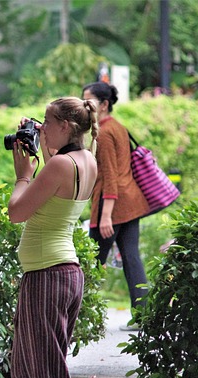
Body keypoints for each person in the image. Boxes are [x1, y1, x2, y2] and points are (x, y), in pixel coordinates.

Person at [8, 97, 98, 378]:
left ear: (65, 126)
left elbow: (17, 212)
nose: (42, 128)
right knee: (33, 370)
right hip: (61, 275)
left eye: (47, 123)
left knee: (45, 377)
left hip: (47, 275)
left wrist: (22, 175)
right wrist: (39, 144)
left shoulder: (61, 166)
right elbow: (54, 169)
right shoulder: (86, 159)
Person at [81, 81, 150, 326]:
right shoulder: (118, 127)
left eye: (89, 101)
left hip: (113, 206)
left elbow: (109, 175)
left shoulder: (106, 132)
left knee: (89, 261)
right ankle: (143, 315)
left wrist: (106, 215)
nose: (84, 105)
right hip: (130, 201)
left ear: (104, 105)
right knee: (131, 256)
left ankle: (77, 315)